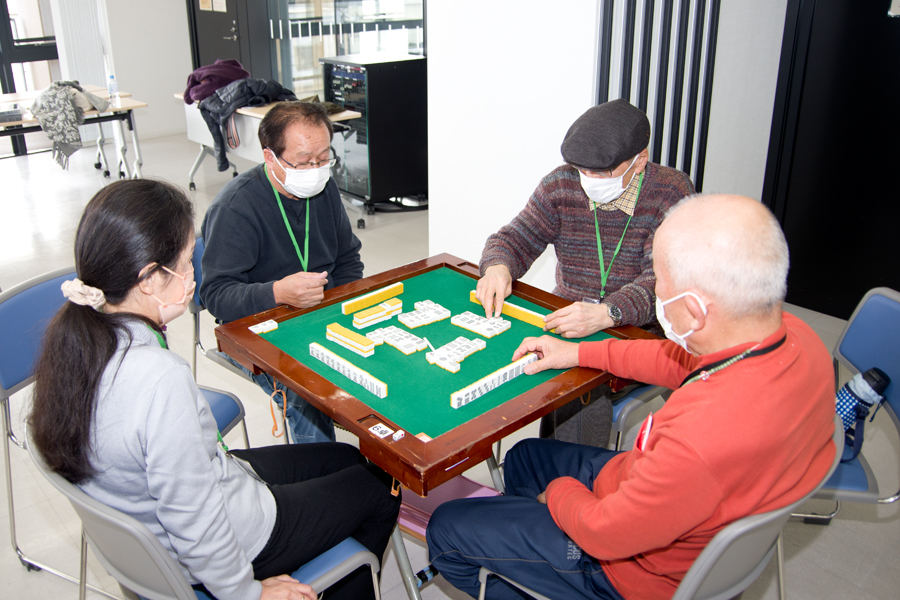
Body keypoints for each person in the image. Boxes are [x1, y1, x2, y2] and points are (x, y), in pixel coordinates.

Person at [427, 194, 836, 600]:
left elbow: (604, 534)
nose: (655, 294)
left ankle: (537, 577)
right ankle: (528, 556)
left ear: (695, 311)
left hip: (624, 572)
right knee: (524, 458)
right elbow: (672, 360)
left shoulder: (699, 440)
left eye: (659, 283)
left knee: (446, 529)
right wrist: (576, 353)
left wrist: (561, 495)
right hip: (653, 500)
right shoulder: (798, 340)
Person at [28, 180, 398, 600]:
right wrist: (246, 592)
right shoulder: (157, 377)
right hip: (230, 542)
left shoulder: (78, 345)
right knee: (379, 488)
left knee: (345, 456)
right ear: (149, 278)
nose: (193, 275)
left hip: (206, 498)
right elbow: (193, 517)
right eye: (187, 261)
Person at [476, 99, 696, 447]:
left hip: (637, 335)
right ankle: (536, 468)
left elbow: (663, 280)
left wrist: (608, 313)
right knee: (496, 359)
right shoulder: (561, 184)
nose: (588, 180)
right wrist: (497, 267)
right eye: (582, 170)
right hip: (567, 321)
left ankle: (572, 476)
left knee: (578, 393)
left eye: (601, 172)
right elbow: (513, 238)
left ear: (639, 160)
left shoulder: (671, 192)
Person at [200, 101, 364, 444]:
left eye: (324, 158)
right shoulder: (235, 207)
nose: (315, 169)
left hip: (321, 312)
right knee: (307, 394)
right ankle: (322, 472)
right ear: (270, 157)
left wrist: (344, 309)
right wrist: (276, 293)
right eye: (303, 161)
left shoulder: (323, 188)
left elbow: (348, 258)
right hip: (257, 328)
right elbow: (216, 296)